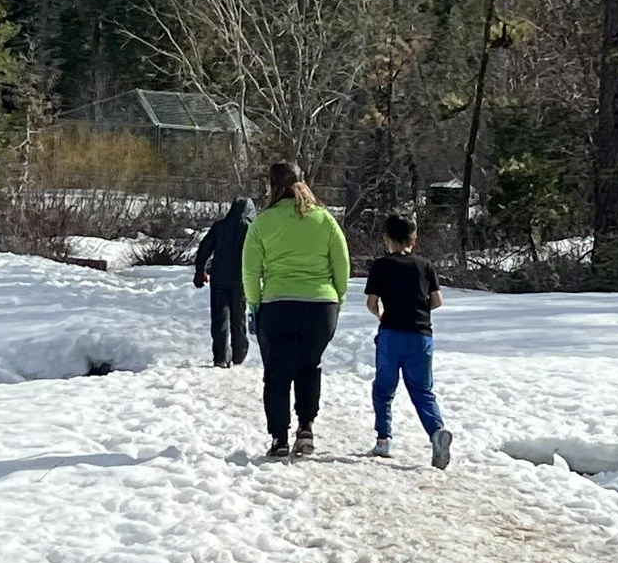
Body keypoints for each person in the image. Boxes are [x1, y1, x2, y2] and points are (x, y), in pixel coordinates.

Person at [240, 160, 350, 459]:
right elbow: (341, 265)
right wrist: (337, 300)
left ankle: (279, 438)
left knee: (276, 374)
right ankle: (306, 428)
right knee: (308, 366)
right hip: (320, 307)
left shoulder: (263, 222)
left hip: (278, 305)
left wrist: (254, 304)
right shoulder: (324, 219)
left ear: (272, 186)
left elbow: (250, 272)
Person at [362, 213, 454, 469]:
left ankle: (383, 440)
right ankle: (436, 433)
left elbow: (371, 303)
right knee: (423, 391)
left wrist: (382, 315)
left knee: (384, 389)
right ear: (414, 239)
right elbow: (437, 300)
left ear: (387, 239)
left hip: (392, 334)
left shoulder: (381, 265)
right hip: (422, 336)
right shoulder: (426, 265)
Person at [193, 196, 256, 367]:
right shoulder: (251, 229)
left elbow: (204, 248)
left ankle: (220, 356)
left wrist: (201, 269)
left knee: (220, 317)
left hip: (220, 278)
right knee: (239, 316)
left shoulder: (219, 227)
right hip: (242, 280)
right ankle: (239, 355)